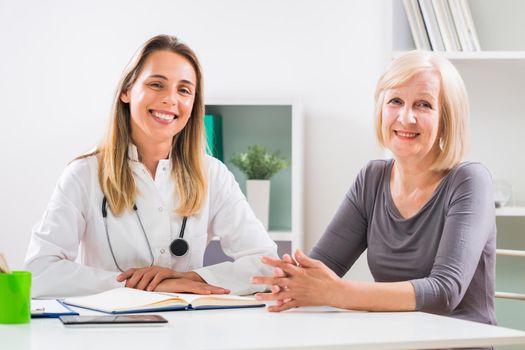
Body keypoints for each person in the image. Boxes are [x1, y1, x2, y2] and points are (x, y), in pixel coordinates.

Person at [252, 50, 496, 327]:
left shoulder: (469, 181)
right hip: (393, 341)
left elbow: (444, 292)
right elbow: (323, 266)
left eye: (424, 105)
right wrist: (286, 280)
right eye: (395, 101)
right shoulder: (373, 178)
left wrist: (336, 292)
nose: (406, 117)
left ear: (447, 120)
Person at [24, 34, 277, 298]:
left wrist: (187, 278)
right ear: (126, 91)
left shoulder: (212, 174)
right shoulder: (84, 174)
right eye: (157, 84)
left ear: (193, 104)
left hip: (189, 331)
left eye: (184, 90)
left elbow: (267, 265)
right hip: (109, 331)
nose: (170, 99)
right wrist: (135, 286)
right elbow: (40, 273)